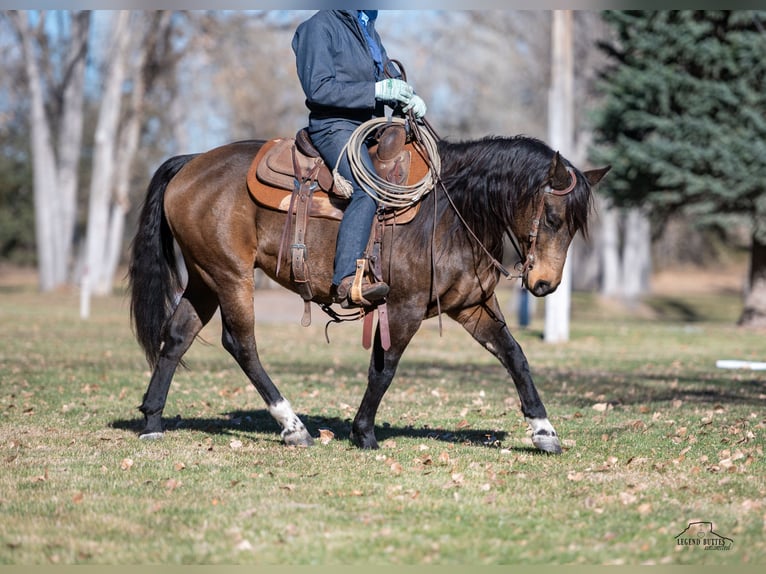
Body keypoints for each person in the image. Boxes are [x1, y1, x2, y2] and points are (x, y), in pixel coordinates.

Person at [292, 10, 427, 308]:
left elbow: (385, 78)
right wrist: (375, 90)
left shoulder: (366, 28)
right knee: (366, 188)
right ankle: (346, 282)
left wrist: (406, 95)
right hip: (334, 127)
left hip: (370, 127)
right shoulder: (319, 26)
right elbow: (318, 88)